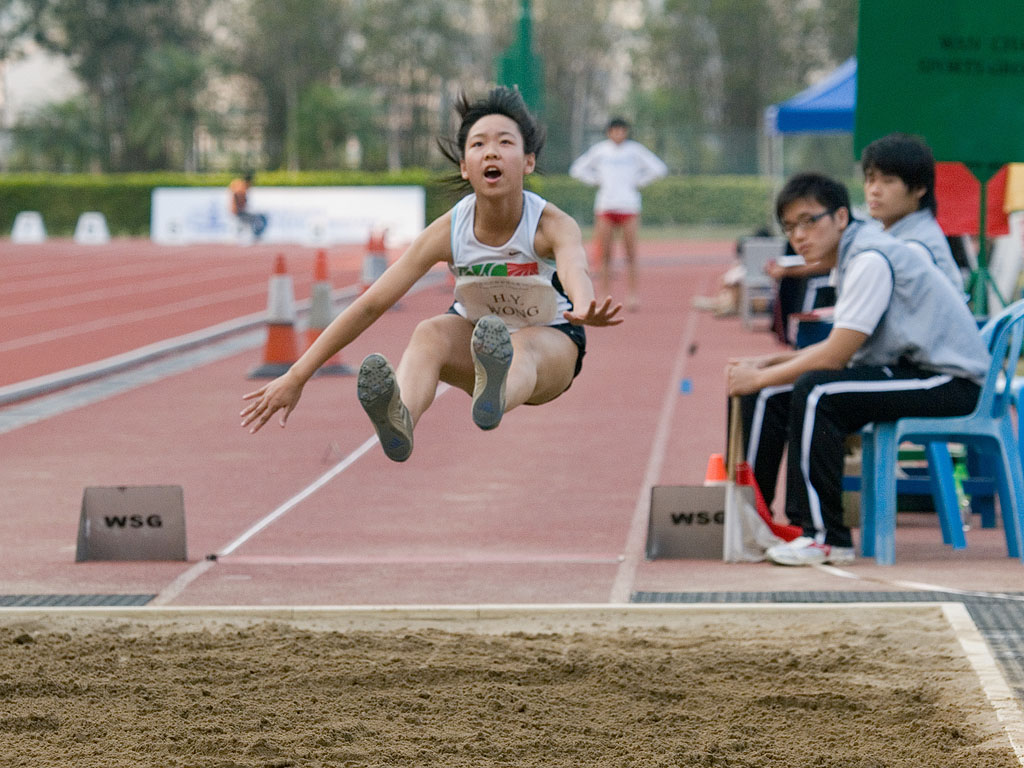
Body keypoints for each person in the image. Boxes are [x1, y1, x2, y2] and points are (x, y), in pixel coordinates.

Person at [240, 87, 623, 460]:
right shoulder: (448, 231)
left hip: (551, 344)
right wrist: (297, 375)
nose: (491, 151)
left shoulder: (551, 225)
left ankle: (497, 394)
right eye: (478, 144)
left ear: (528, 161)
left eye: (505, 142)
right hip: (479, 343)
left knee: (523, 347)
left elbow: (575, 268)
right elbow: (371, 303)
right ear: (465, 166)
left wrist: (585, 305)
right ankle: (401, 418)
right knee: (429, 332)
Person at [727, 172, 989, 566]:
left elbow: (835, 357)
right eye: (790, 227)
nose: (799, 236)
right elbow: (841, 347)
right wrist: (766, 368)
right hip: (909, 371)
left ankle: (826, 537)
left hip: (949, 380)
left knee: (818, 392)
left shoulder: (869, 258)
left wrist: (760, 374)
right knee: (770, 392)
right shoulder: (853, 255)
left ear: (841, 217)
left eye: (808, 221)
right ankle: (752, 525)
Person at [569, 117, 667, 311]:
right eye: (614, 130)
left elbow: (659, 169)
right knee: (605, 255)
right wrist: (596, 180)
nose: (618, 134)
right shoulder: (600, 151)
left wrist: (639, 181)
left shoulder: (635, 151)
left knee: (631, 254)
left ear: (626, 132)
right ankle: (604, 295)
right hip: (606, 207)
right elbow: (577, 169)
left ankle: (632, 294)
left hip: (629, 207)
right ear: (609, 132)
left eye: (622, 130)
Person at [861, 133, 964, 291]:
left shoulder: (916, 248)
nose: (874, 190)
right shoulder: (897, 234)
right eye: (870, 179)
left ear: (919, 188)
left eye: (888, 181)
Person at [229, 171, 268, 241]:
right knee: (257, 218)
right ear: (248, 181)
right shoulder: (241, 187)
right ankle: (254, 235)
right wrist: (237, 205)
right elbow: (236, 195)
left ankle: (246, 233)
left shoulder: (239, 185)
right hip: (239, 211)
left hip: (238, 211)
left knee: (253, 219)